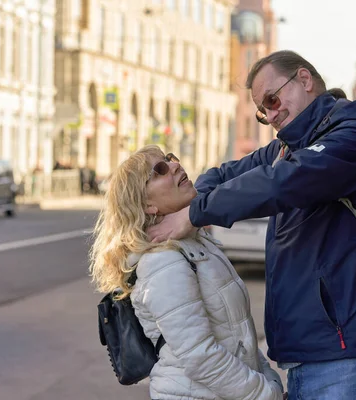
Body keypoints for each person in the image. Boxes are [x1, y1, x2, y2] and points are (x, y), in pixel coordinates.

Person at [147, 50, 356, 399]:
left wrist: (194, 214)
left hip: (348, 359)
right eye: (262, 111)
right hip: (308, 359)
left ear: (304, 79)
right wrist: (187, 200)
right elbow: (222, 175)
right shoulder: (286, 148)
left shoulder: (350, 139)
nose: (271, 114)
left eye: (272, 99)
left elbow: (279, 183)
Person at [89, 145, 286, 400]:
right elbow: (200, 357)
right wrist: (265, 393)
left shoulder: (196, 243)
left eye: (170, 159)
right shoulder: (163, 261)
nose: (174, 165)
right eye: (160, 170)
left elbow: (238, 334)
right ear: (148, 205)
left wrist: (267, 378)